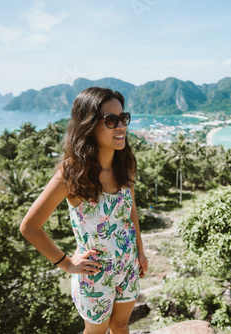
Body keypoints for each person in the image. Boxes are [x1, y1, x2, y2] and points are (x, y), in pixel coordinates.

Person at [20, 87, 148, 334]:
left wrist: (140, 252)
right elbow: (29, 227)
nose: (121, 126)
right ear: (88, 125)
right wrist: (67, 264)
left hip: (128, 265)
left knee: (121, 325)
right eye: (111, 120)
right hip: (95, 274)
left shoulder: (125, 166)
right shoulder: (71, 175)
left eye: (124, 118)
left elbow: (131, 213)